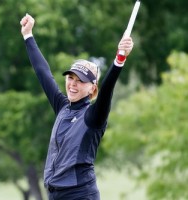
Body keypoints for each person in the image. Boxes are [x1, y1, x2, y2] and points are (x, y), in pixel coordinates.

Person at [20, 13, 134, 200]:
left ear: (92, 88)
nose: (73, 84)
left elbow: (107, 91)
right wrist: (28, 35)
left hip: (80, 195)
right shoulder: (63, 107)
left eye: (80, 80)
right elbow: (43, 73)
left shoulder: (92, 116)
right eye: (70, 78)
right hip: (55, 195)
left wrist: (119, 59)